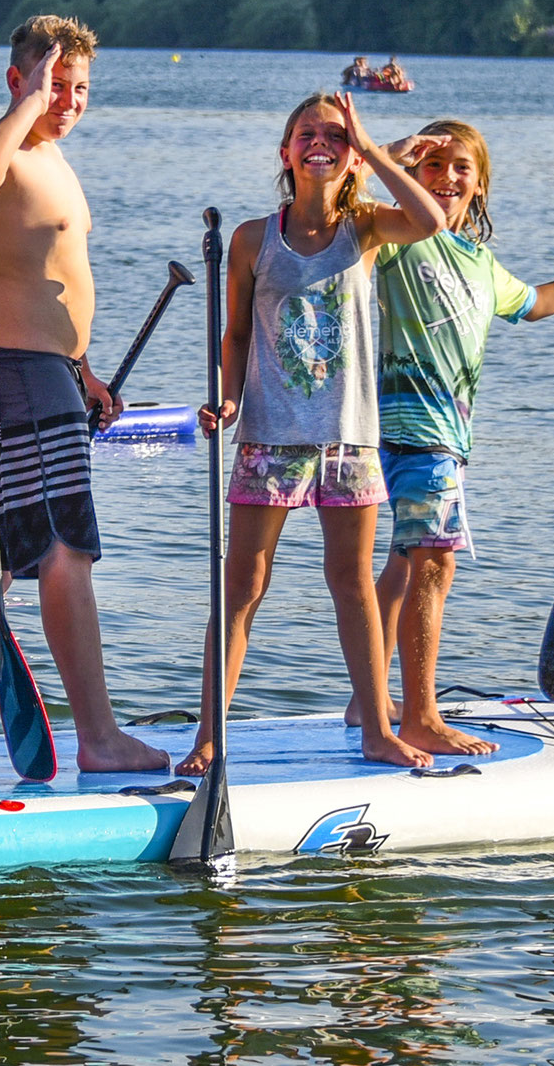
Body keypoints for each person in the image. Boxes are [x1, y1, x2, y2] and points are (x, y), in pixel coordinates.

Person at [0, 15, 170, 775]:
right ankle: (99, 737)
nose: (70, 100)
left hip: (41, 372)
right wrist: (30, 95)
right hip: (16, 372)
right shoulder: (0, 149)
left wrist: (82, 368)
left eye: (81, 87)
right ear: (19, 80)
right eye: (57, 83)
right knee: (65, 553)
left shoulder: (52, 157)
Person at [192, 92, 450, 771]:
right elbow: (238, 333)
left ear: (352, 154)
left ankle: (375, 729)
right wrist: (225, 401)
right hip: (270, 438)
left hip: (349, 439)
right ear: (286, 152)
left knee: (353, 582)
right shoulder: (253, 238)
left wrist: (368, 142)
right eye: (307, 134)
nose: (321, 144)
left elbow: (430, 218)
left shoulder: (364, 228)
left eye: (334, 137)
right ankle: (208, 738)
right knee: (242, 586)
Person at [371, 119, 554, 751]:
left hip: (446, 435)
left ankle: (370, 698)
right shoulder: (397, 237)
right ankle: (421, 717)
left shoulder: (481, 265)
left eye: (461, 167)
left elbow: (537, 301)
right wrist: (397, 154)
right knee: (436, 563)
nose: (446, 176)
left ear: (481, 185)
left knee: (406, 564)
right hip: (412, 426)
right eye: (432, 166)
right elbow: (345, 193)